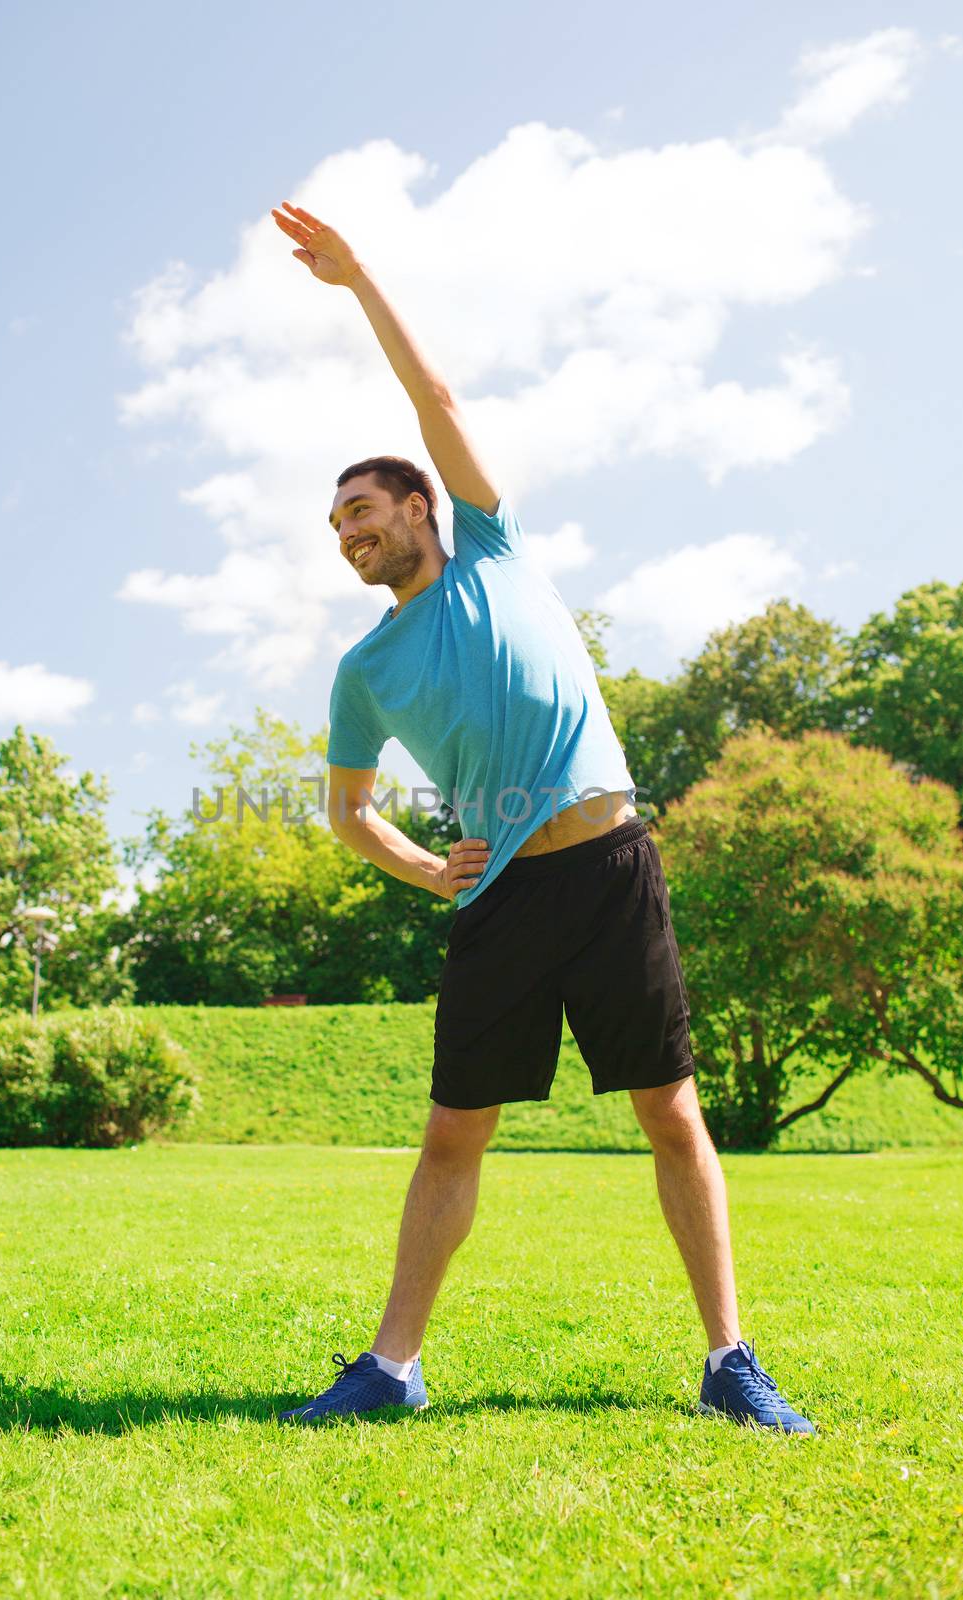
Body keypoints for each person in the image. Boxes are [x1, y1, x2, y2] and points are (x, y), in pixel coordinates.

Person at [269, 200, 814, 1435]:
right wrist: (433, 871)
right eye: (336, 525)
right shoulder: (365, 670)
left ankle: (731, 1360)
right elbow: (350, 815)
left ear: (421, 509)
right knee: (454, 1130)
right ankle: (391, 1367)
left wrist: (358, 283)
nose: (350, 534)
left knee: (671, 1109)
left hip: (612, 863)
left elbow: (439, 398)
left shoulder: (494, 553)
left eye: (365, 510)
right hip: (504, 894)